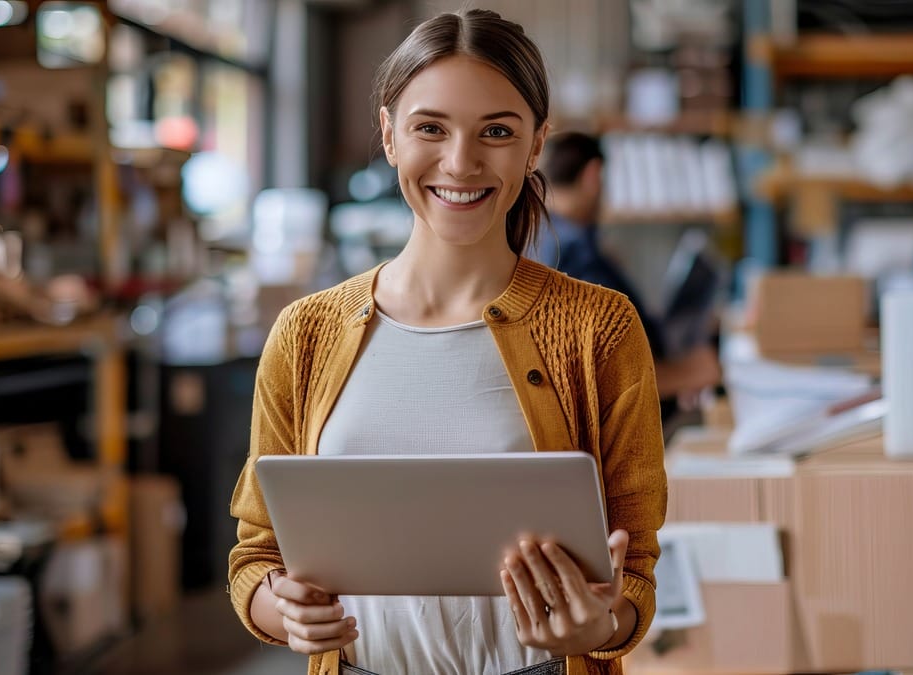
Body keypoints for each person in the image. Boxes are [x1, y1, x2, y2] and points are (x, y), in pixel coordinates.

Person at [229, 9, 666, 675]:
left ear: (537, 142)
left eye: (497, 131)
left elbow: (633, 572)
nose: (461, 163)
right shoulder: (306, 333)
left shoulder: (598, 327)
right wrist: (280, 608)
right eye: (430, 127)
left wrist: (601, 623)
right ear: (389, 133)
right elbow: (256, 554)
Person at [534, 132, 721, 415]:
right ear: (593, 176)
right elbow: (600, 378)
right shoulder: (577, 259)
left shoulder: (545, 242)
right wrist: (688, 372)